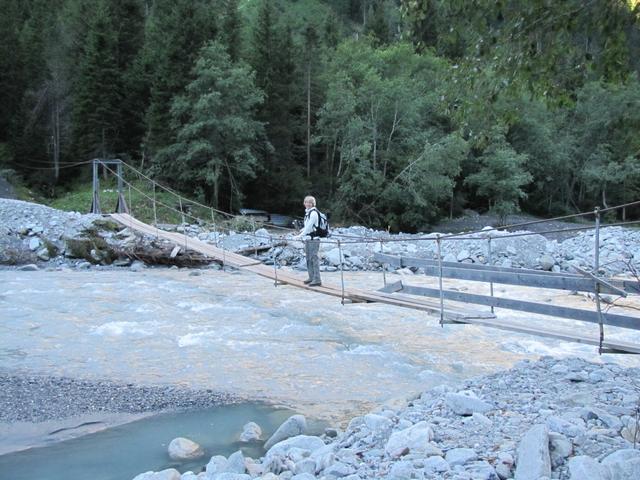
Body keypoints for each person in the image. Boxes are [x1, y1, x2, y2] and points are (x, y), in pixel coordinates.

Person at [295, 195, 322, 286]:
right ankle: (311, 277)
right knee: (308, 258)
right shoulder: (308, 213)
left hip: (314, 240)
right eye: (306, 202)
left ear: (313, 204)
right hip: (308, 239)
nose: (308, 204)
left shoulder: (313, 213)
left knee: (314, 258)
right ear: (304, 203)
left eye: (310, 202)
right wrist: (302, 230)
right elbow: (307, 227)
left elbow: (309, 227)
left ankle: (317, 279)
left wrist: (299, 236)